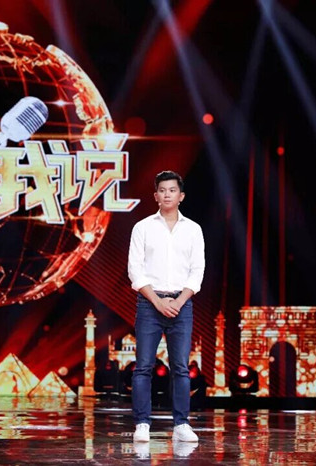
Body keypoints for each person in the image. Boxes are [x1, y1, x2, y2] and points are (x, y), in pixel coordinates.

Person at [127, 170, 205, 443]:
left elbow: (197, 270)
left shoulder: (193, 229)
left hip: (182, 305)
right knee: (143, 366)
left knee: (181, 367)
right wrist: (158, 301)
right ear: (155, 195)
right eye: (162, 190)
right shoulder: (143, 227)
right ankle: (142, 424)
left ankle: (181, 424)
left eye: (172, 190)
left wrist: (179, 301)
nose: (167, 194)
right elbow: (135, 270)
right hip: (150, 303)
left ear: (181, 196)